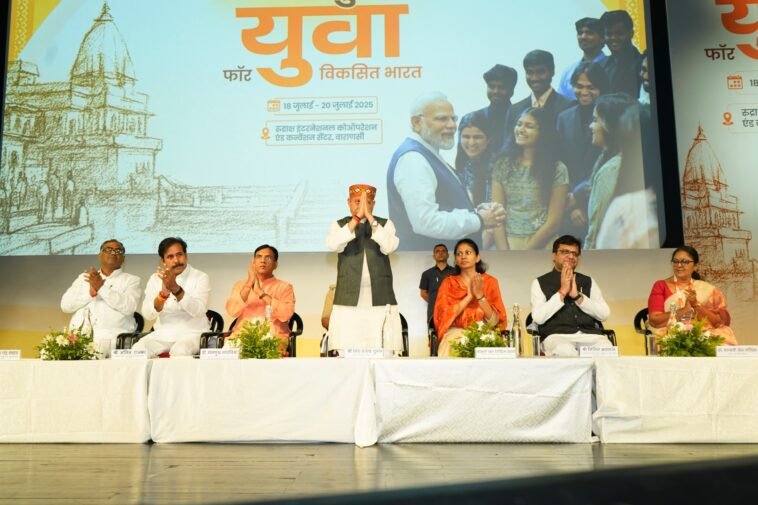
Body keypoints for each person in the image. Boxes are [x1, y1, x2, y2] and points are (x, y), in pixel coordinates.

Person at [387, 91, 506, 251]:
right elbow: (426, 222)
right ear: (416, 122)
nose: (452, 125)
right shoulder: (413, 159)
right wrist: (479, 220)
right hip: (427, 262)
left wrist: (478, 213)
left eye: (453, 118)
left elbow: (443, 208)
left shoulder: (427, 154)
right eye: (442, 119)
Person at [326, 184, 403, 355]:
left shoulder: (384, 224)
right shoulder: (339, 224)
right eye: (357, 202)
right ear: (348, 202)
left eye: (367, 202)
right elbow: (333, 244)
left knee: (383, 350)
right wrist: (356, 219)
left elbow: (389, 246)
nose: (362, 206)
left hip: (379, 297)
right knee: (348, 350)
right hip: (349, 297)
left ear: (373, 204)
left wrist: (370, 219)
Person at [491, 107, 569, 250]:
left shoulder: (557, 169)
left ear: (542, 132)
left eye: (529, 126)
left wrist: (526, 254)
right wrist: (504, 253)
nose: (521, 129)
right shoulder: (502, 165)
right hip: (508, 244)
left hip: (543, 245)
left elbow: (554, 222)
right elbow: (496, 216)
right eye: (519, 124)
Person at [530, 235, 612, 356]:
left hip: (589, 336)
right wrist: (562, 292)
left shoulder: (587, 281)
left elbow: (604, 314)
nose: (571, 256)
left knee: (606, 348)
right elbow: (538, 317)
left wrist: (578, 297)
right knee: (565, 350)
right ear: (554, 256)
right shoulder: (540, 282)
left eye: (575, 253)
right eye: (565, 252)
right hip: (557, 337)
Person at [60, 239, 141, 355]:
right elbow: (65, 306)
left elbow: (129, 307)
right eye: (108, 249)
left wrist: (101, 288)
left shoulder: (131, 280)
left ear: (123, 258)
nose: (113, 253)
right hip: (78, 341)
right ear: (100, 255)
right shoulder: (84, 278)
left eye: (118, 251)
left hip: (113, 342)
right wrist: (90, 294)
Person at [556, 62, 609, 238]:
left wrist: (580, 199)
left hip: (601, 201)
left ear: (601, 88)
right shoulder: (564, 118)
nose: (584, 92)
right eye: (579, 86)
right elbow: (560, 163)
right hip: (568, 204)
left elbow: (608, 163)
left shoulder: (611, 118)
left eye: (591, 87)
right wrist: (571, 205)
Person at [134, 237, 210, 357]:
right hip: (163, 334)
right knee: (137, 350)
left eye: (179, 255)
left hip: (192, 333)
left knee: (180, 351)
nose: (176, 260)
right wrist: (162, 296)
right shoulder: (155, 279)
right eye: (170, 257)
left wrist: (176, 289)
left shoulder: (200, 277)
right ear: (163, 261)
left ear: (186, 255)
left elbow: (199, 310)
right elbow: (148, 314)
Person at [647, 246, 737, 345]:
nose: (679, 265)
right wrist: (684, 310)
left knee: (722, 337)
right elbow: (654, 320)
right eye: (675, 261)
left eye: (685, 262)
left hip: (703, 333)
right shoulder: (661, 286)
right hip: (673, 334)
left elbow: (720, 322)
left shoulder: (706, 289)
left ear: (695, 266)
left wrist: (696, 305)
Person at [433, 238, 507, 357]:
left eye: (468, 252)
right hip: (455, 333)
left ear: (477, 257)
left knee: (492, 346)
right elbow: (443, 317)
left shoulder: (490, 282)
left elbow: (495, 321)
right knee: (454, 345)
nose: (463, 257)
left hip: (484, 333)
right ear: (456, 260)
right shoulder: (449, 283)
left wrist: (480, 296)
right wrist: (468, 297)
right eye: (459, 254)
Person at [583, 92, 637, 249]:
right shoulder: (618, 159)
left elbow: (598, 231)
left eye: (595, 120)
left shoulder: (611, 170)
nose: (591, 126)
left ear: (609, 127)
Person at [224, 244, 295, 353]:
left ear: (275, 264)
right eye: (259, 257)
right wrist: (249, 284)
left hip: (274, 337)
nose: (263, 261)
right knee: (226, 356)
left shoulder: (285, 287)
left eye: (268, 257)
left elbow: (286, 314)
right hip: (242, 336)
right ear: (253, 262)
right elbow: (231, 311)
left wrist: (260, 293)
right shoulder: (241, 285)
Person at [502, 50, 574, 149]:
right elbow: (508, 148)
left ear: (552, 72)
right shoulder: (515, 110)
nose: (535, 78)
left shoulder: (568, 107)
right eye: (530, 72)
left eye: (540, 72)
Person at [458, 64, 518, 153]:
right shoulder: (470, 118)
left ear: (512, 91)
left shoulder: (520, 118)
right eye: (491, 86)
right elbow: (461, 156)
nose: (496, 91)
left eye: (501, 87)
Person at [557, 17, 608, 100]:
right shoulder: (568, 72)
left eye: (590, 33)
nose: (583, 37)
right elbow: (561, 102)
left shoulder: (612, 68)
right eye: (580, 33)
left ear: (602, 39)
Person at [455, 111, 496, 206]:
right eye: (466, 137)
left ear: (488, 139)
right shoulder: (463, 163)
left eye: (477, 137)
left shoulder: (496, 167)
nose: (471, 143)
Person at [601, 10, 643, 99]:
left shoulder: (643, 65)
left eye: (619, 33)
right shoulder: (603, 65)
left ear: (631, 33)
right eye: (608, 34)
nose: (613, 38)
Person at [419, 243, 455, 329]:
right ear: (433, 256)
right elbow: (423, 293)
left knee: (453, 335)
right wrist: (437, 303)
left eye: (443, 251)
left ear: (448, 255)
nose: (440, 253)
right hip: (433, 312)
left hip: (453, 311)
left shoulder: (456, 272)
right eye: (437, 251)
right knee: (434, 335)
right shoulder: (426, 274)